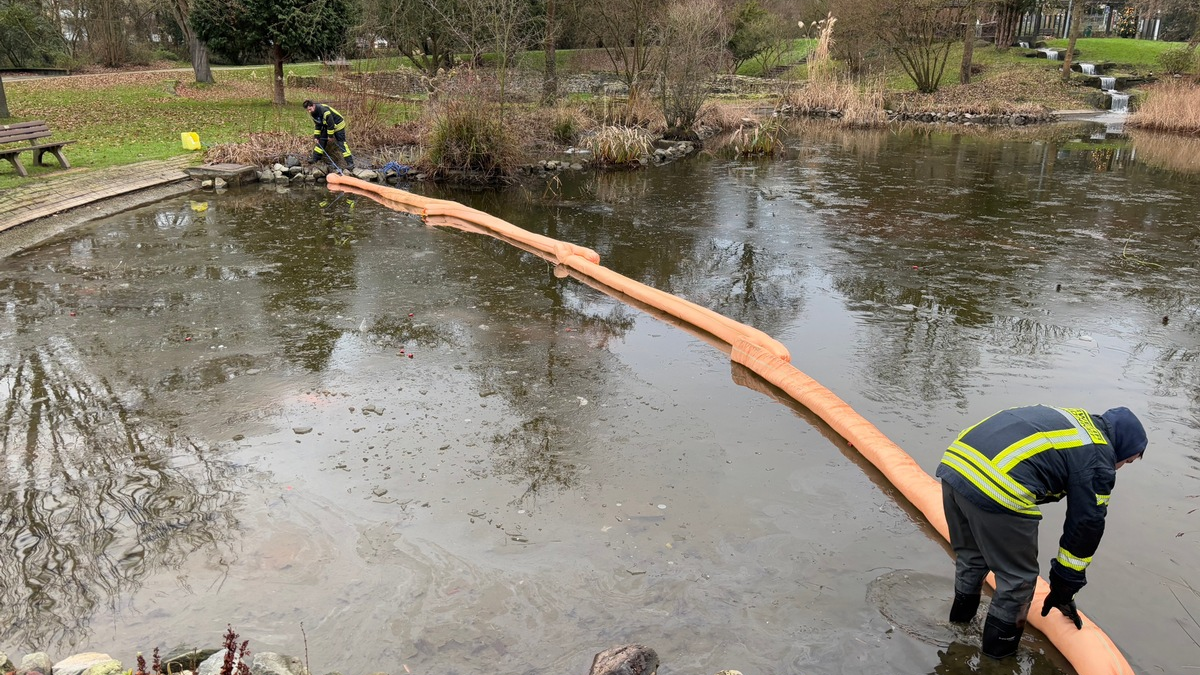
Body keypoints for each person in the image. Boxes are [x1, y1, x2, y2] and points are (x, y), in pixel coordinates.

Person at [935, 405, 1148, 659]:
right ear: (1122, 447)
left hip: (956, 464)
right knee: (1018, 581)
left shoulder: (1076, 421)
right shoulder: (1099, 457)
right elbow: (1086, 525)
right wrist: (1064, 587)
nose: (1120, 467)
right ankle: (996, 661)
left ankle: (957, 631)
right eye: (1127, 461)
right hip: (998, 484)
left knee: (972, 559)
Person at [303, 100, 355, 170]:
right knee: (321, 141)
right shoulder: (313, 114)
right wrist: (316, 136)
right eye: (308, 110)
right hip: (327, 126)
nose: (309, 111)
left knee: (341, 143)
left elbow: (331, 124)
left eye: (310, 109)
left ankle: (350, 163)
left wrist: (330, 136)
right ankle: (315, 159)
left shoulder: (324, 111)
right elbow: (318, 125)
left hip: (338, 125)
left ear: (313, 105)